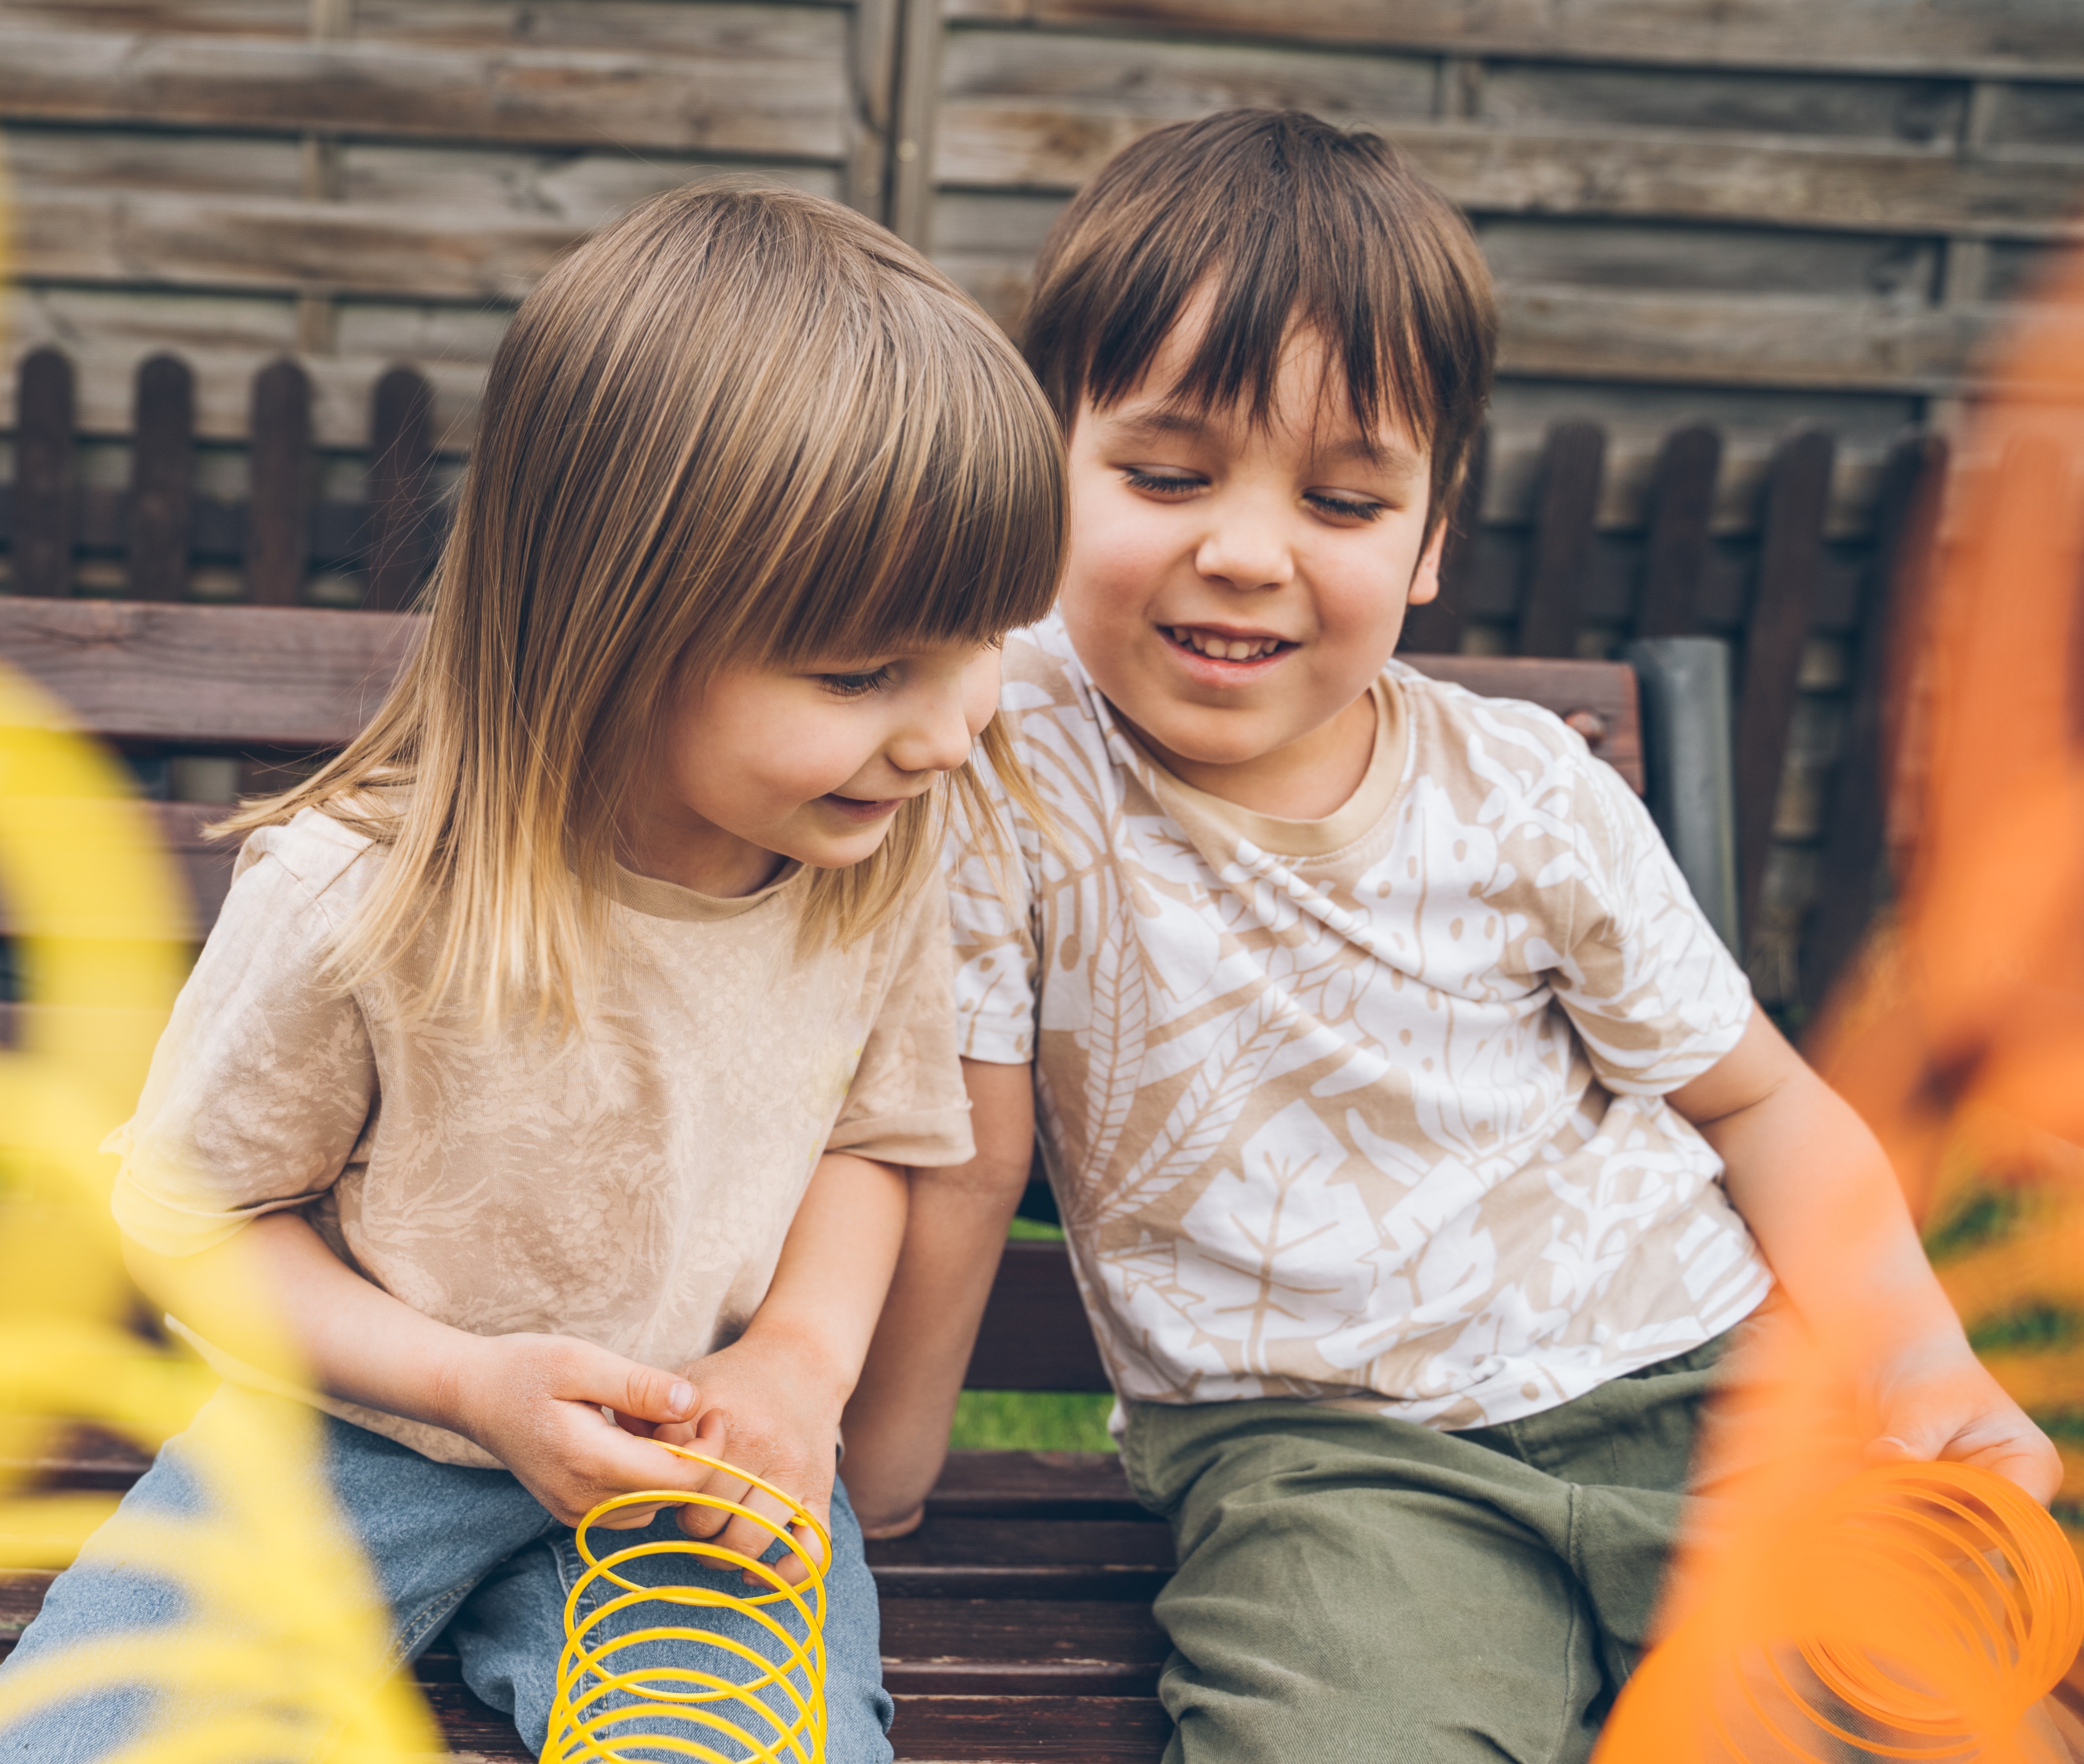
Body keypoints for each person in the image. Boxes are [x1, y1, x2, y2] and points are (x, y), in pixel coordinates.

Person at [836, 109, 2057, 1764]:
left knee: (1927, 1723)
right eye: (1166, 472)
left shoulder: (1522, 800)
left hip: (1706, 1395)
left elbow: (1761, 1104)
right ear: (1042, 458)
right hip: (1331, 1469)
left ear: (1429, 542)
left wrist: (1923, 1372)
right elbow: (967, 1160)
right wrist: (886, 1494)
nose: (1245, 551)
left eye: (1341, 499)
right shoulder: (1003, 765)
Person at [0, 180, 1068, 1761]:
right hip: (362, 1432)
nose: (951, 729)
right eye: (864, 672)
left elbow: (871, 1143)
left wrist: (797, 1368)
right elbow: (197, 1220)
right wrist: (468, 1387)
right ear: (617, 622)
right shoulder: (365, 893)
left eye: (983, 649)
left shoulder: (874, 850)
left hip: (702, 1458)